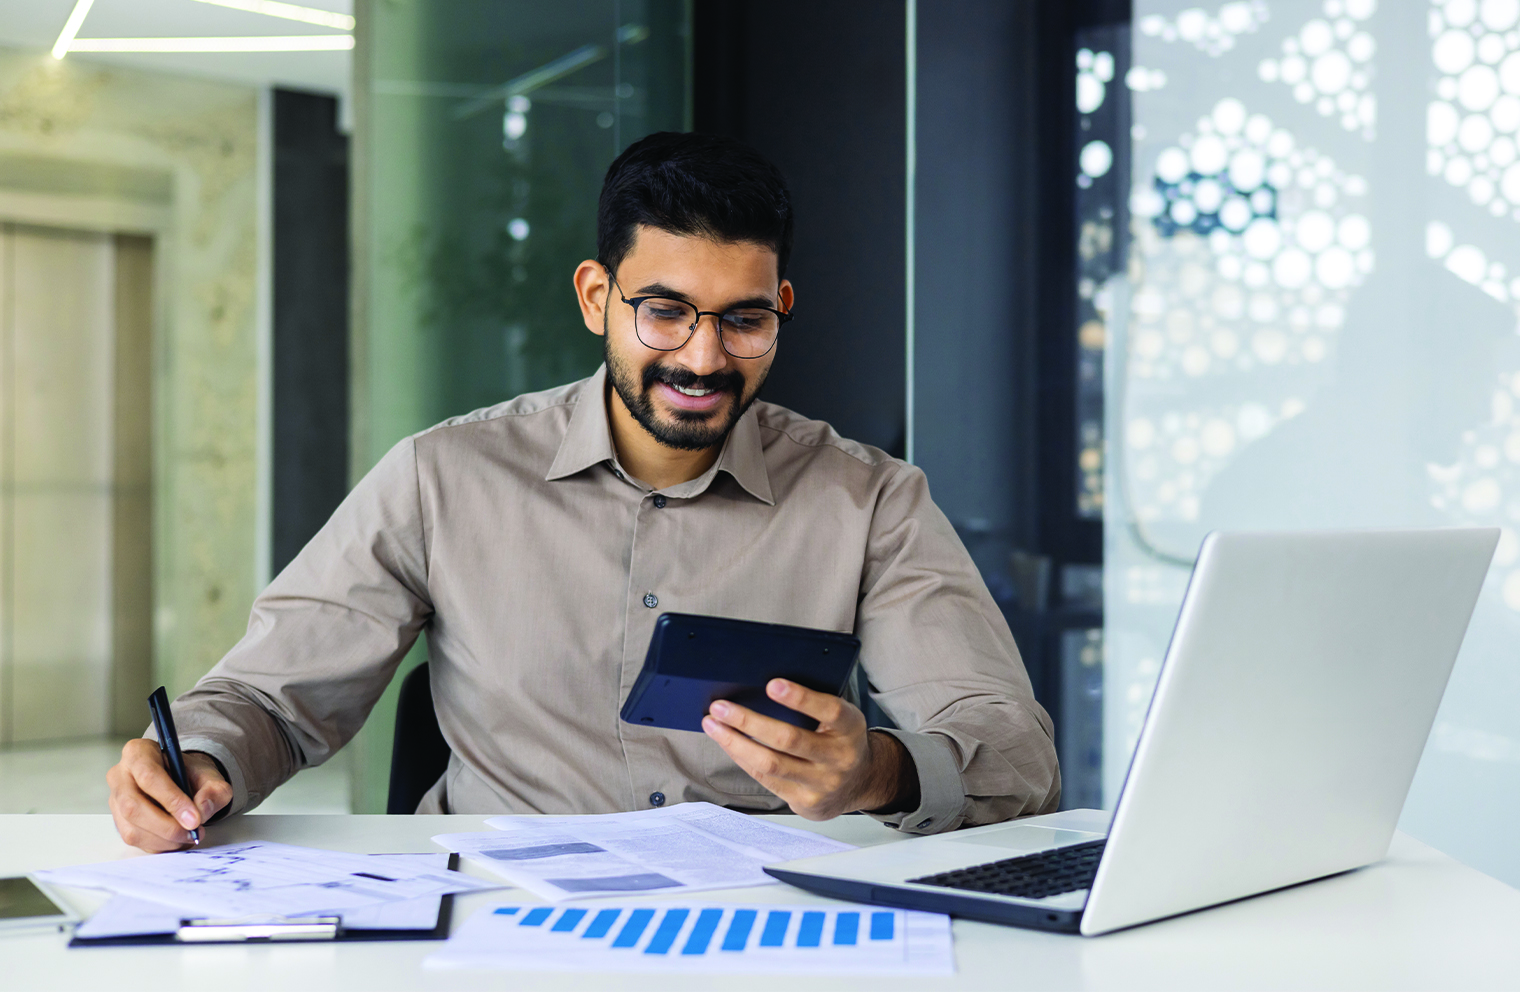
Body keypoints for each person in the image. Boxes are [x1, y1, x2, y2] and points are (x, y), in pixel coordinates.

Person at [106, 132, 1059, 853]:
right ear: (598, 297)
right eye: (665, 312)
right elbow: (272, 698)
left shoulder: (869, 500)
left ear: (782, 312)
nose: (704, 356)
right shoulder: (445, 476)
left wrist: (878, 771)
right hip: (493, 919)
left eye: (745, 320)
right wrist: (200, 759)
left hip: (756, 927)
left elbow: (1013, 755)